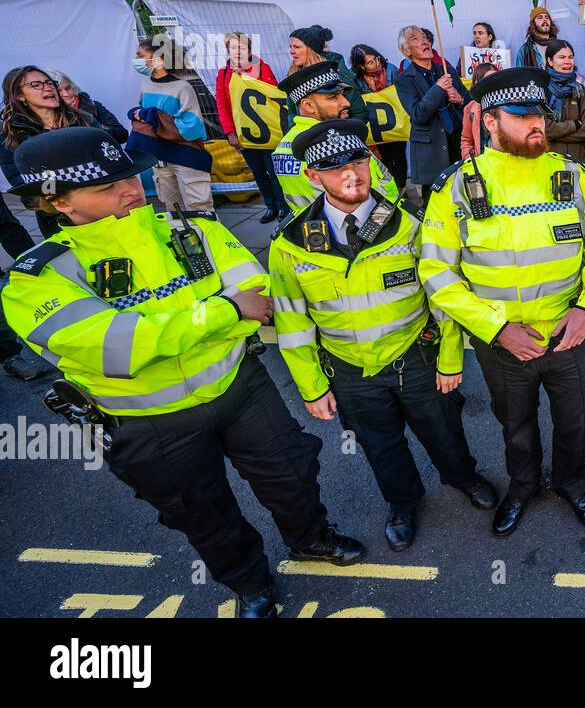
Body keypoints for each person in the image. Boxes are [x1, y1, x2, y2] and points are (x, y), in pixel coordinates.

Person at [2, 127, 365, 617]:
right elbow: (117, 350)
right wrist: (223, 313)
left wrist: (200, 320)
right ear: (59, 203)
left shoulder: (192, 229)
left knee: (292, 474)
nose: (130, 189)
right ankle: (251, 585)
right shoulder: (38, 278)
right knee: (201, 513)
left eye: (129, 175)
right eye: (107, 186)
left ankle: (311, 539)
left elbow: (257, 298)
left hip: (239, 387)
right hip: (150, 423)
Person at [269, 118, 497, 553]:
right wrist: (313, 387)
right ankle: (403, 503)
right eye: (335, 168)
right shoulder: (292, 243)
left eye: (358, 160)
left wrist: (450, 359)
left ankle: (462, 476)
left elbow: (443, 296)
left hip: (416, 355)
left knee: (444, 430)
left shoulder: (409, 224)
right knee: (381, 445)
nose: (351, 174)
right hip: (351, 369)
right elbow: (292, 321)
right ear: (312, 176)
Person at [419, 68, 585, 536]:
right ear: (489, 121)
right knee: (516, 424)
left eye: (540, 114)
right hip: (503, 343)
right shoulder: (456, 187)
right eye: (522, 115)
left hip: (567, 333)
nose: (538, 124)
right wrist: (494, 329)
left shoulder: (572, 176)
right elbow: (437, 272)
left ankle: (572, 482)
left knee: (577, 420)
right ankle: (523, 485)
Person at [273, 60, 396, 213]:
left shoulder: (282, 148)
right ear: (308, 106)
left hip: (312, 230)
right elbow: (373, 196)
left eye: (342, 95)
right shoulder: (338, 143)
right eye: (333, 97)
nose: (346, 103)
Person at [0, 65, 100, 239]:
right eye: (36, 85)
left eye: (49, 83)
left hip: (98, 202)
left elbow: (105, 156)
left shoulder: (83, 119)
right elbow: (18, 177)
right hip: (54, 212)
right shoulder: (11, 134)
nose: (48, 88)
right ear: (19, 95)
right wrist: (57, 195)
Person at [128, 37, 214, 213]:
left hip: (186, 156)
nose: (136, 60)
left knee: (200, 207)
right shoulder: (145, 85)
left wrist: (151, 116)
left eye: (140, 55)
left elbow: (191, 128)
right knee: (173, 208)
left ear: (158, 59)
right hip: (159, 158)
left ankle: (210, 240)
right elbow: (144, 121)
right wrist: (148, 117)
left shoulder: (182, 87)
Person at [217, 32, 288, 223]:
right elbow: (222, 104)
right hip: (245, 135)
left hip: (267, 132)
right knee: (258, 171)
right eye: (233, 47)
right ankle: (270, 206)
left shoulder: (262, 67)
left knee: (273, 171)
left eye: (241, 47)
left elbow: (273, 93)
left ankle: (283, 207)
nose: (237, 51)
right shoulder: (223, 73)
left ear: (249, 49)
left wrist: (249, 77)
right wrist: (230, 132)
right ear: (227, 50)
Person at [395, 24, 468, 201]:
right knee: (435, 201)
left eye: (424, 37)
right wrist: (437, 89)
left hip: (456, 142)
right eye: (415, 39)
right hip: (431, 149)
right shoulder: (403, 80)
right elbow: (418, 114)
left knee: (463, 194)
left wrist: (459, 99)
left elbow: (469, 102)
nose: (423, 41)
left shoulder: (446, 69)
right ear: (407, 51)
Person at [350, 44, 408, 191]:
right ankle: (392, 190)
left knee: (400, 156)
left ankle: (402, 187)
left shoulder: (391, 70)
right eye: (370, 62)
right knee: (385, 159)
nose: (376, 63)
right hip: (376, 128)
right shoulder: (355, 80)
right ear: (361, 67)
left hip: (395, 123)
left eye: (376, 59)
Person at [290, 25, 367, 124]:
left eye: (296, 47)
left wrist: (340, 132)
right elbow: (292, 114)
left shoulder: (339, 75)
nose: (291, 51)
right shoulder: (293, 76)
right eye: (291, 47)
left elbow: (360, 114)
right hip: (308, 137)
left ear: (311, 49)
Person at [542, 39, 585, 162]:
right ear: (550, 61)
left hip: (578, 161)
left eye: (570, 57)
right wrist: (574, 125)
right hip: (548, 160)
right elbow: (543, 128)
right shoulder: (541, 91)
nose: (567, 61)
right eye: (561, 57)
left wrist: (554, 135)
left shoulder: (582, 92)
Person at [52, 71, 128, 143]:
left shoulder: (93, 105)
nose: (66, 94)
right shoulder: (48, 116)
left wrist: (97, 129)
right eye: (59, 91)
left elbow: (122, 134)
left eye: (68, 88)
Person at [460, 62, 499, 159]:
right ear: (478, 83)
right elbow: (466, 140)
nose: (492, 84)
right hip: (481, 165)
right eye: (487, 80)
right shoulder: (470, 109)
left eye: (495, 79)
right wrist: (471, 162)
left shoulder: (507, 105)